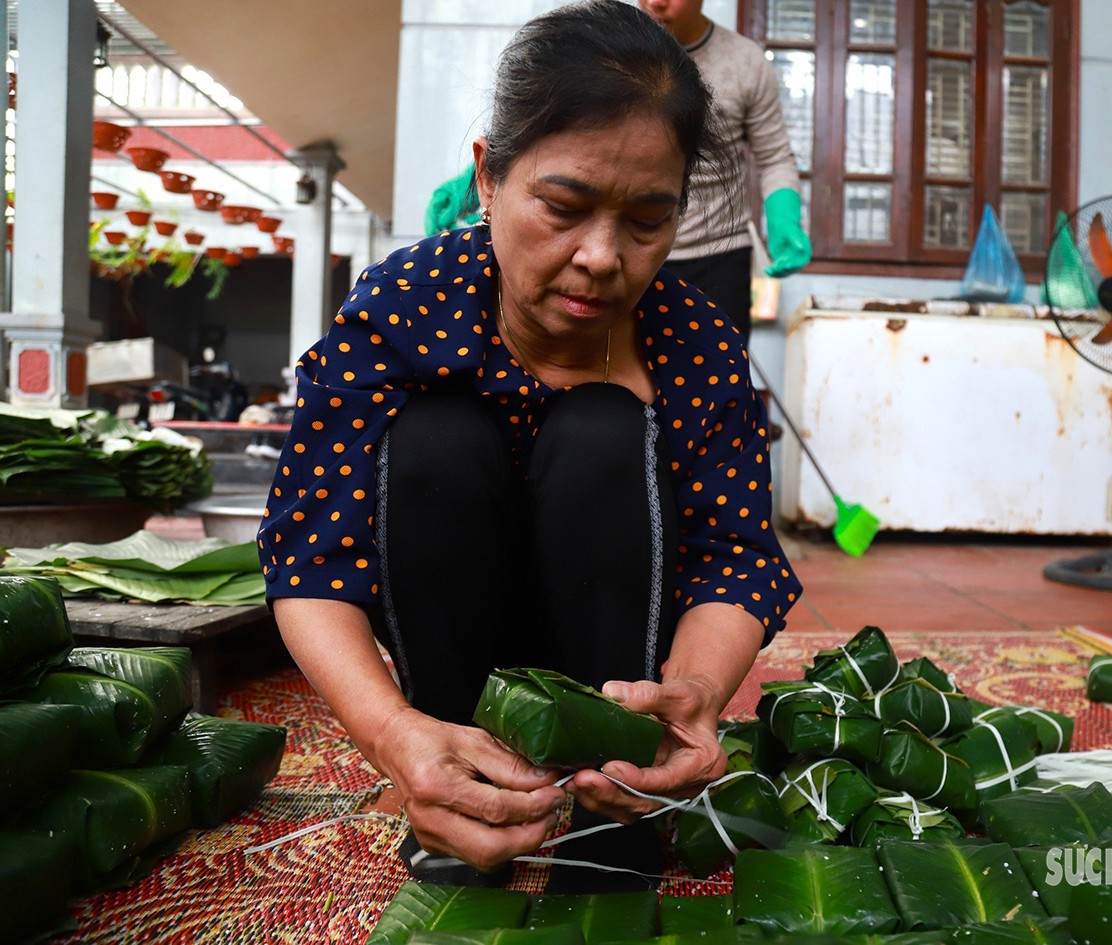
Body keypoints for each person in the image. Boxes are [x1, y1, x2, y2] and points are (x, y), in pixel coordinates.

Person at [257, 0, 801, 892]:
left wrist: (695, 696)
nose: (600, 256)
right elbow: (310, 559)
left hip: (617, 658)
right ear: (489, 177)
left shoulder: (694, 345)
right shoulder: (404, 306)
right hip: (452, 656)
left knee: (600, 430)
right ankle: (457, 787)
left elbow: (736, 559)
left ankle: (610, 812)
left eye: (645, 221)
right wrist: (396, 736)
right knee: (436, 435)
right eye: (564, 205)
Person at [638, 0, 811, 344]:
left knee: (715, 388)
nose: (655, 2)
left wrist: (784, 218)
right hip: (631, 252)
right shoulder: (609, 52)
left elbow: (775, 156)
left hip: (718, 258)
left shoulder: (745, 62)